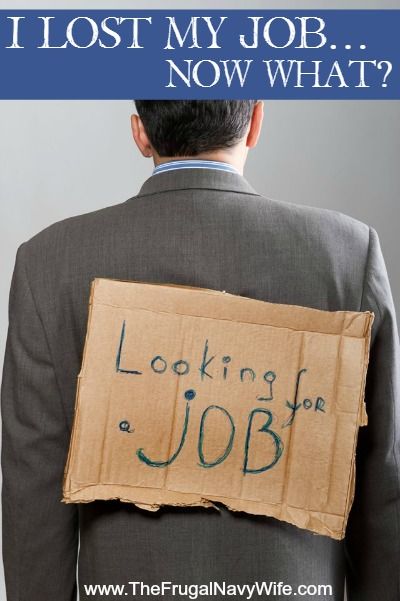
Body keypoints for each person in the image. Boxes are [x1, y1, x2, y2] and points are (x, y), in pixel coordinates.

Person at [1, 100, 399, 601]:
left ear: (140, 133)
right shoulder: (346, 255)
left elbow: (31, 497)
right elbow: (383, 492)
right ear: (256, 122)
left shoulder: (50, 263)